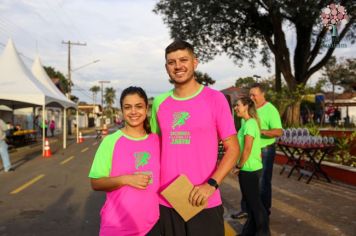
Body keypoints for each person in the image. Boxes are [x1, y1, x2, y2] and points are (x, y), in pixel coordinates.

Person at [150, 40, 239, 236]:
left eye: (183, 60)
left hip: (204, 201)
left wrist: (211, 185)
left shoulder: (215, 99)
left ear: (195, 62)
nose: (178, 66)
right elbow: (154, 148)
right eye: (171, 62)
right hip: (166, 201)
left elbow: (233, 148)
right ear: (166, 67)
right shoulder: (159, 103)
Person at [89, 86, 160, 236]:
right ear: (122, 111)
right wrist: (126, 179)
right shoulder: (110, 141)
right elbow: (96, 182)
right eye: (128, 107)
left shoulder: (156, 140)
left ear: (147, 108)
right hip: (118, 227)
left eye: (139, 106)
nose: (133, 111)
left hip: (153, 226)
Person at [233, 97, 270, 236]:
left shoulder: (250, 124)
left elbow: (247, 149)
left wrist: (239, 165)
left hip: (250, 169)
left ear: (246, 106)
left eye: (238, 105)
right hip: (249, 168)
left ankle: (263, 232)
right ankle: (249, 232)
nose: (236, 108)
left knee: (255, 204)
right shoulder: (245, 122)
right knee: (250, 204)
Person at [249, 83, 283, 216]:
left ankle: (264, 210)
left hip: (265, 150)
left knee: (263, 181)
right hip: (250, 149)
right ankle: (248, 209)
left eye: (254, 95)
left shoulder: (271, 109)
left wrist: (261, 132)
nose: (251, 97)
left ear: (263, 94)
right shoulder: (250, 109)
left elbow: (279, 131)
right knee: (248, 180)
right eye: (250, 95)